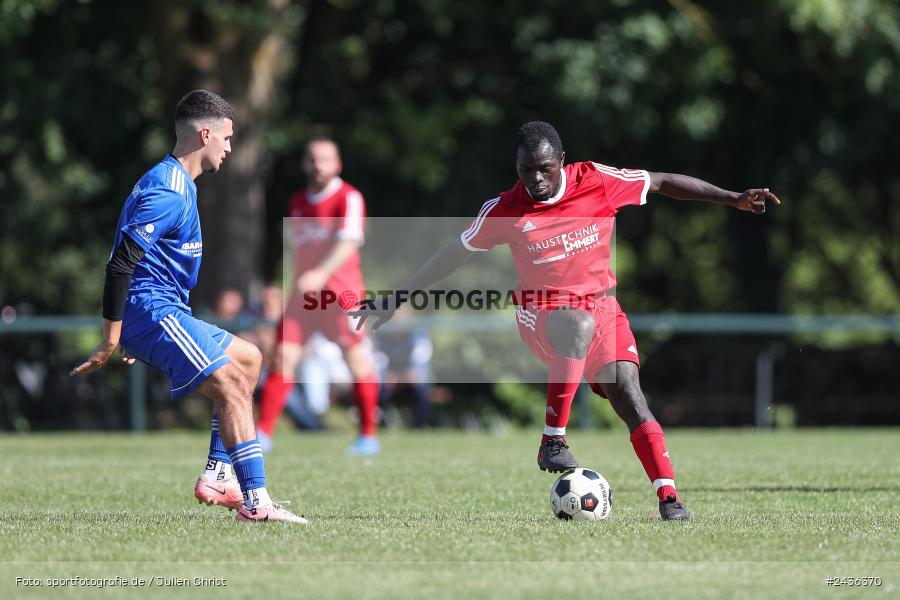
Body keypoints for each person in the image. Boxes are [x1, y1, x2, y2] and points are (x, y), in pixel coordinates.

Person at [353, 121, 780, 520]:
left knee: (631, 396)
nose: (535, 180)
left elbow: (663, 181)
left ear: (562, 161)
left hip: (603, 310)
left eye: (544, 169)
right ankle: (552, 441)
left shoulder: (596, 180)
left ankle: (669, 496)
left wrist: (732, 198)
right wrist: (394, 298)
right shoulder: (506, 209)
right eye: (525, 170)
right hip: (541, 314)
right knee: (576, 323)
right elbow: (454, 252)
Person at [69, 90, 306, 524]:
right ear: (205, 134)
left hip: (163, 310)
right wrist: (113, 336)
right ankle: (257, 503)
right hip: (152, 310)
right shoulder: (169, 190)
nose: (230, 148)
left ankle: (218, 474)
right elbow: (119, 262)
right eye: (227, 138)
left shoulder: (179, 182)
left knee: (249, 358)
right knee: (233, 383)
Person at [256, 138, 381, 455]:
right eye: (312, 159)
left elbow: (350, 242)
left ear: (337, 164)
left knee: (357, 362)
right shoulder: (298, 201)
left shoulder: (348, 197)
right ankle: (262, 435)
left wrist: (321, 274)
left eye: (325, 159)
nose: (318, 165)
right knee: (283, 358)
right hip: (303, 298)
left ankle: (368, 435)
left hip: (342, 296)